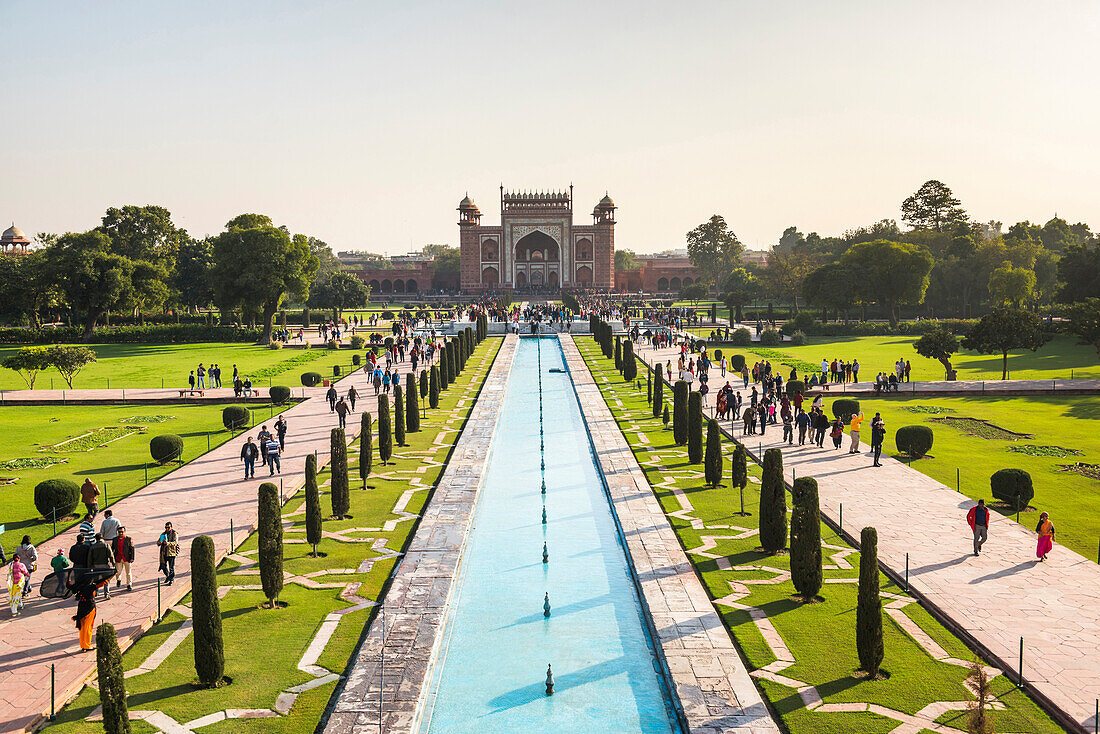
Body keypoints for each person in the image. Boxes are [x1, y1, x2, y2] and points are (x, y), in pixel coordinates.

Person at [88, 533, 115, 599]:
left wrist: (89, 567)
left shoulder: (92, 547)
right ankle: (106, 594)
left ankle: (96, 592)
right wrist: (113, 564)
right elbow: (111, 556)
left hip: (95, 566)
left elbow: (89, 558)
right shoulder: (106, 545)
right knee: (106, 580)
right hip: (105, 565)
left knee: (96, 580)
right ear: (102, 538)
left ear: (95, 539)